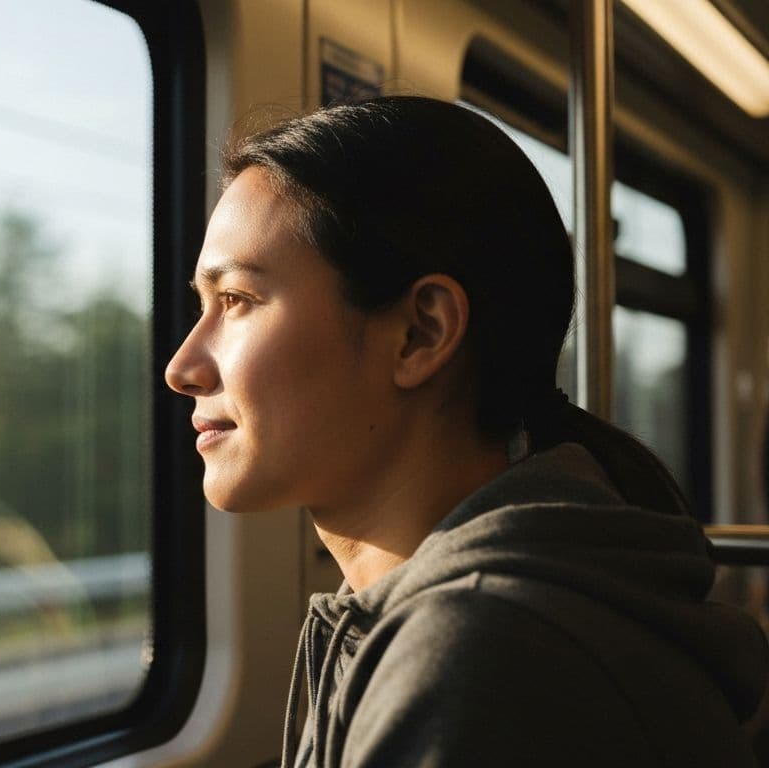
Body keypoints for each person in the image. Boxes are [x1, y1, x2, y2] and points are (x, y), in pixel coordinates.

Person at [164, 96, 768, 767]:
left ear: (420, 333)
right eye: (201, 305)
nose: (182, 367)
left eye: (237, 301)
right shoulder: (418, 622)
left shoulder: (478, 655)